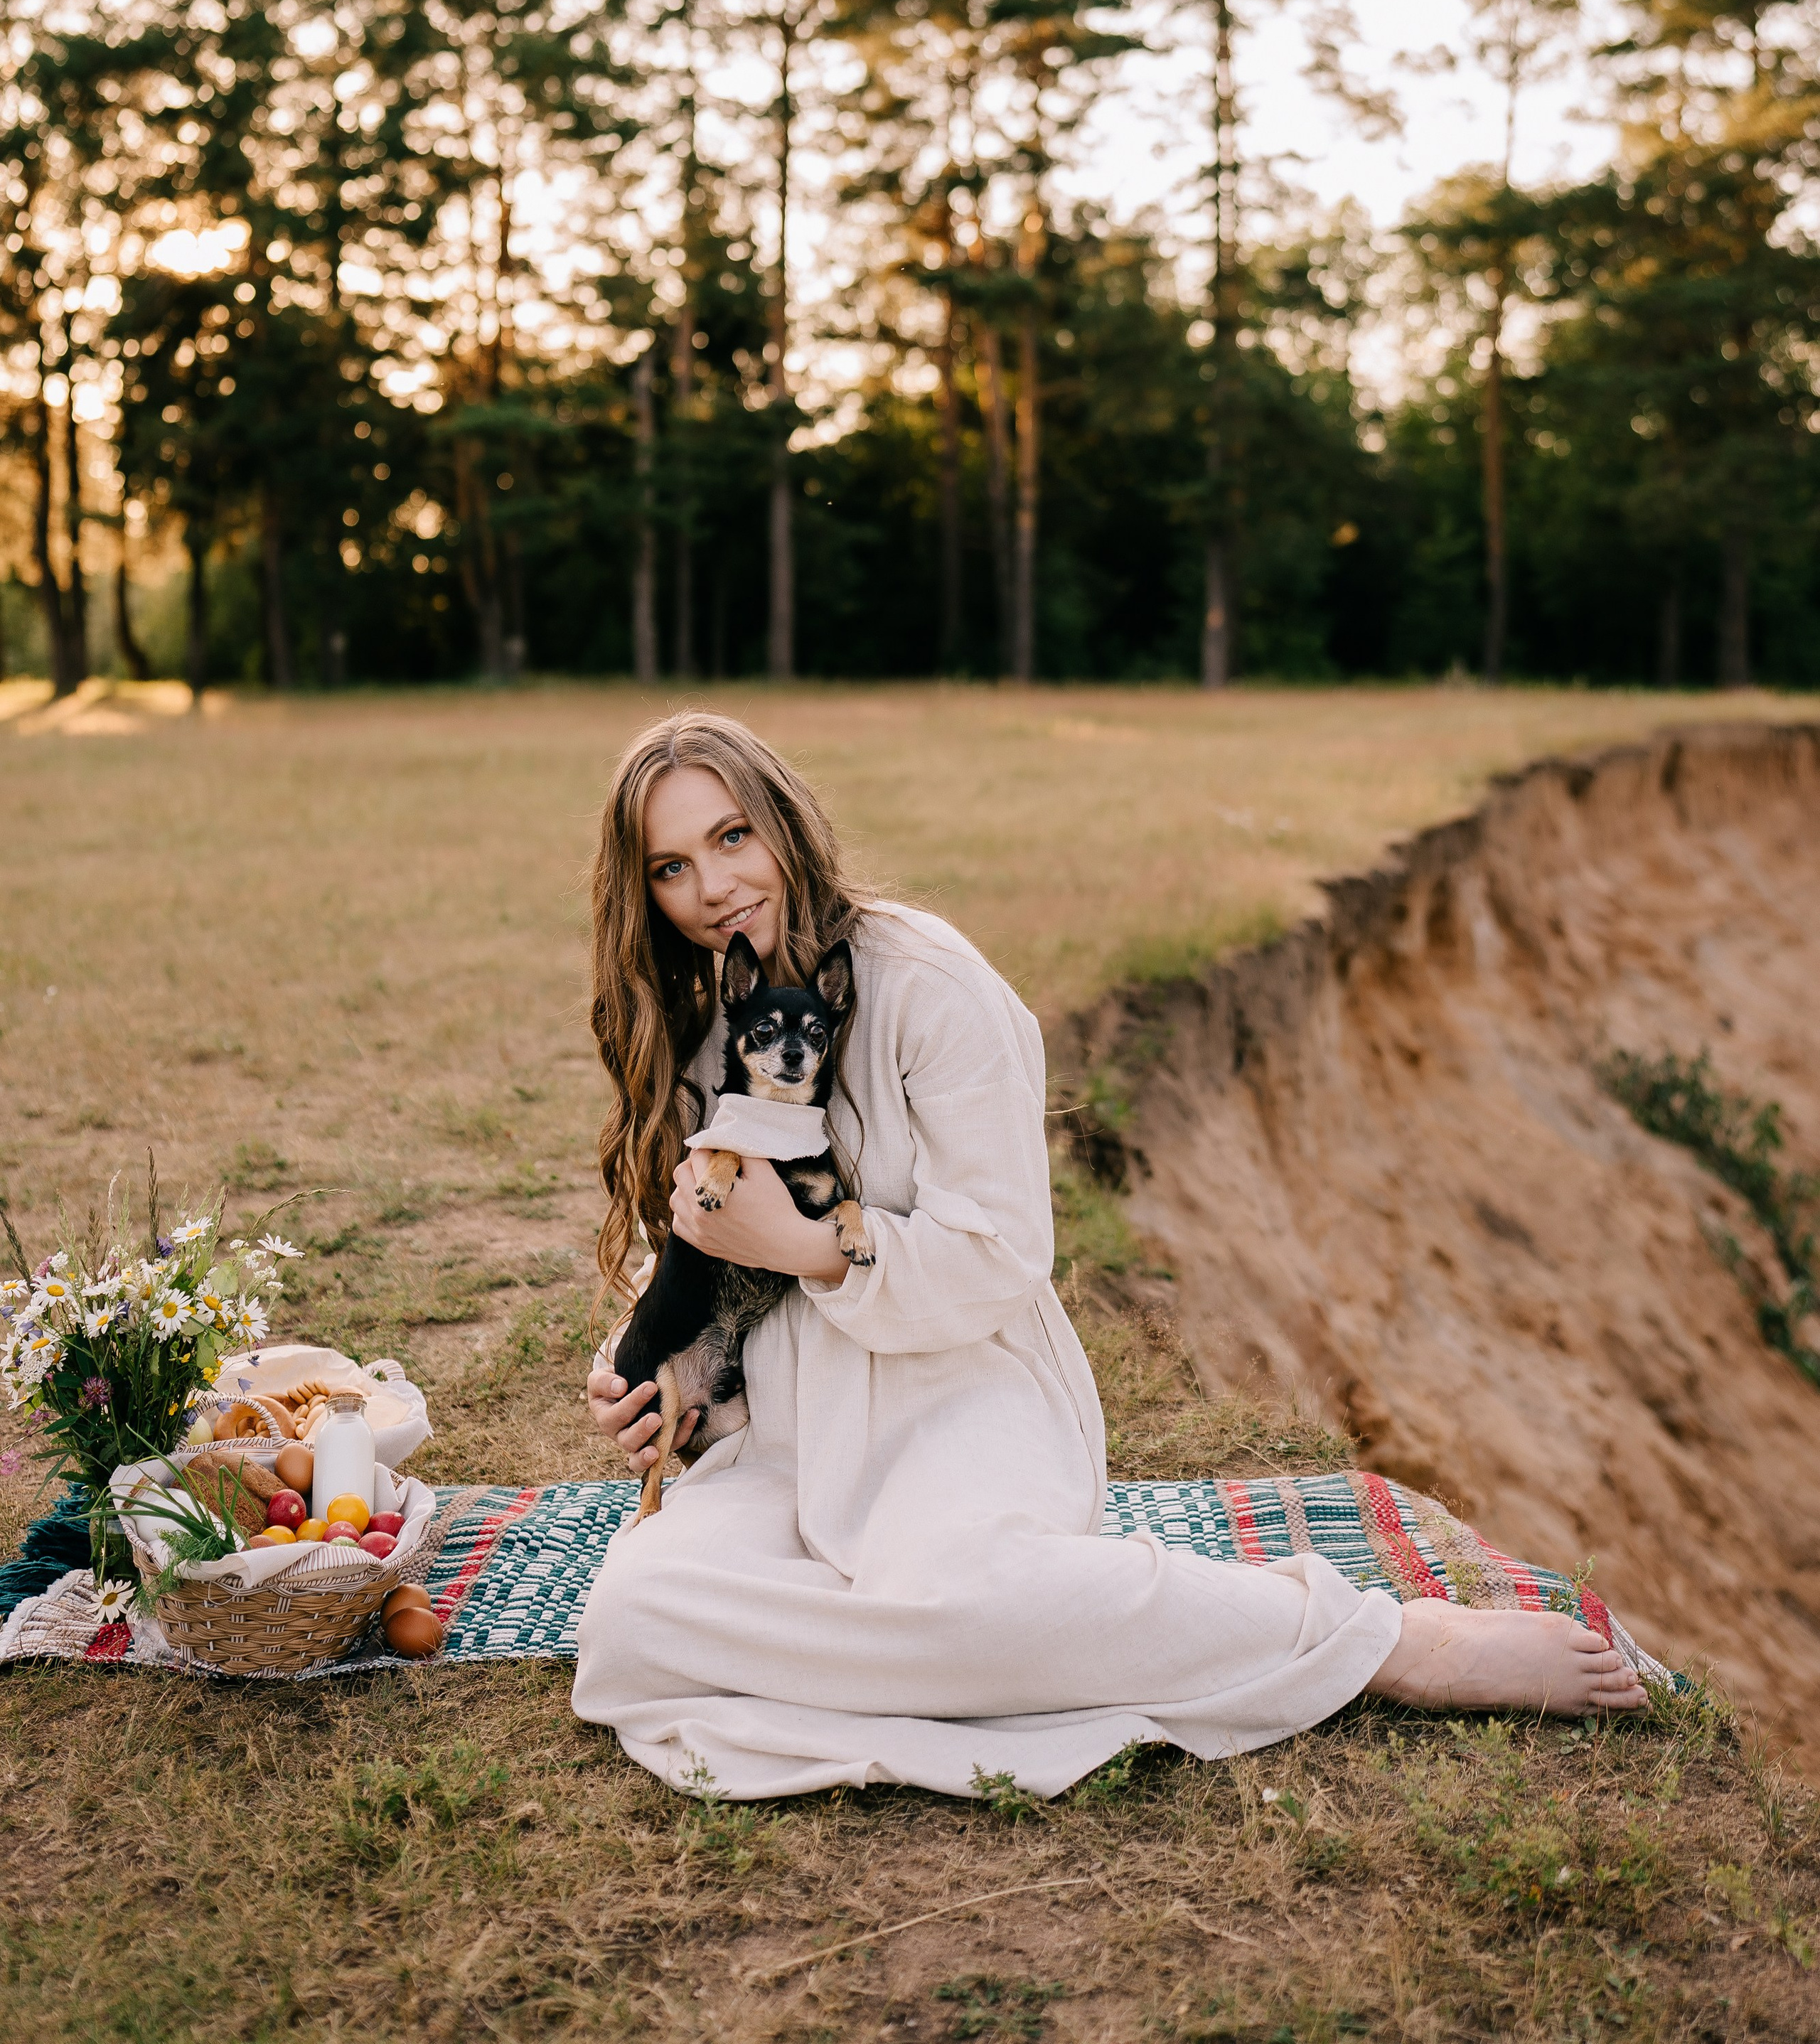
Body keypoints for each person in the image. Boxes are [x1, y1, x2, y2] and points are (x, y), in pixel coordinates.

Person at [571, 713, 1646, 1799]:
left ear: (786, 827)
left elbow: (999, 1255)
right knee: (630, 1623)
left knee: (972, 1603)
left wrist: (811, 1249)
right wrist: (654, 1368)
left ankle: (1380, 1642)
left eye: (732, 838)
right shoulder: (716, 1019)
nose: (711, 886)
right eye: (671, 866)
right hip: (795, 1443)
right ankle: (925, 1651)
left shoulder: (931, 983)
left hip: (958, 1403)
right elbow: (701, 1254)